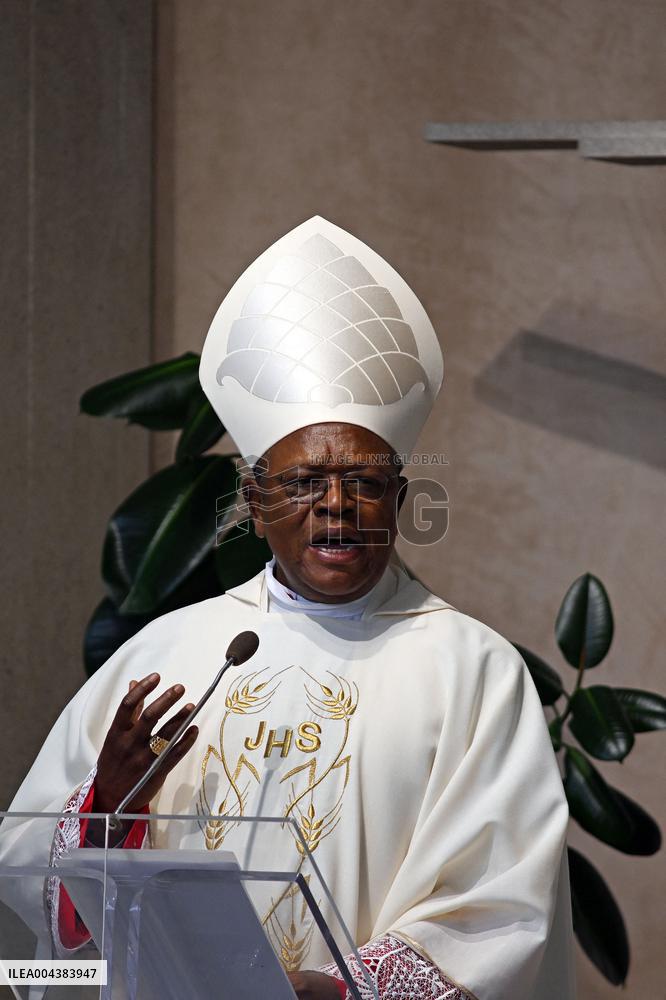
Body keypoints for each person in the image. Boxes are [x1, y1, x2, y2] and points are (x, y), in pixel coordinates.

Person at [0, 218, 575, 999]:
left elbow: (501, 906)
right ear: (254, 501)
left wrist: (343, 991)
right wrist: (105, 805)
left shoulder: (474, 672)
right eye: (305, 484)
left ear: (400, 502)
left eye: (366, 484)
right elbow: (34, 879)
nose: (337, 507)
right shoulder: (168, 653)